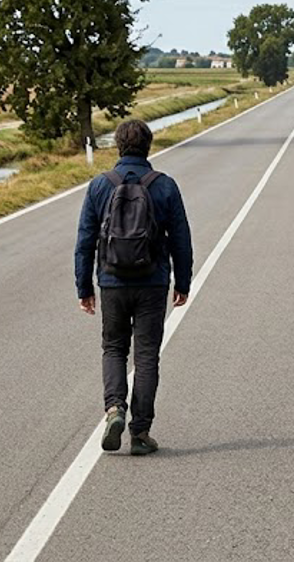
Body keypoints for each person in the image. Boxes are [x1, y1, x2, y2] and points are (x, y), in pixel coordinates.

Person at [74, 120, 193, 456]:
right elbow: (181, 239)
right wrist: (182, 282)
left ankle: (114, 409)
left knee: (113, 348)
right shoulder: (165, 186)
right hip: (153, 283)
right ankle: (140, 433)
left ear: (118, 147)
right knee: (146, 357)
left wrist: (84, 287)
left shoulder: (100, 186)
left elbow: (84, 241)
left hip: (111, 282)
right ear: (149, 147)